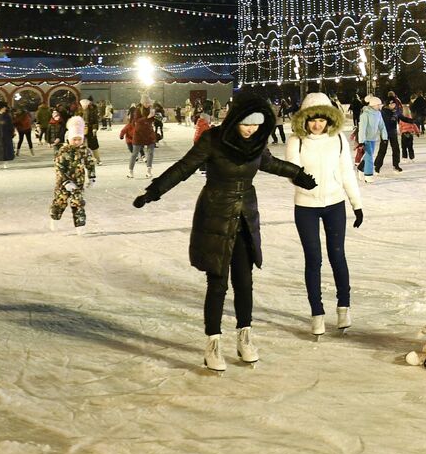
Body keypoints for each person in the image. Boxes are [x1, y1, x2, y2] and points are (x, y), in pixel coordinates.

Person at [133, 94, 317, 371]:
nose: (250, 130)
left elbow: (270, 163)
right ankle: (213, 344)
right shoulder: (213, 139)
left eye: (256, 125)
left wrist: (297, 173)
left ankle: (245, 337)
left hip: (245, 217)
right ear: (235, 120)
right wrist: (154, 191)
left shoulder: (256, 143)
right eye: (246, 124)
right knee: (218, 282)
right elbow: (184, 167)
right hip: (216, 215)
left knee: (244, 282)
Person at [285, 93, 364, 336]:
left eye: (322, 119)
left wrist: (356, 204)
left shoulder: (338, 140)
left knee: (337, 255)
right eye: (312, 119)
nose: (317, 124)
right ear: (305, 120)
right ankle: (317, 312)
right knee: (314, 259)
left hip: (334, 204)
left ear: (329, 119)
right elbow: (293, 172)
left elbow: (347, 173)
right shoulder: (295, 141)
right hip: (306, 206)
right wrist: (305, 183)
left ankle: (343, 307)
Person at [50, 115, 97, 233]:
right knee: (60, 203)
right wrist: (65, 182)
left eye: (79, 139)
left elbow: (90, 164)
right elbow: (59, 168)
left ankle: (80, 226)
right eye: (74, 139)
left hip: (78, 183)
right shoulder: (63, 151)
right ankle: (54, 219)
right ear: (69, 138)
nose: (77, 142)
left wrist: (92, 177)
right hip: (63, 184)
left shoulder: (85, 151)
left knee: (78, 204)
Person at [120, 105, 159, 178]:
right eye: (146, 102)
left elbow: (154, 120)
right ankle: (130, 171)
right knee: (134, 153)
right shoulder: (137, 111)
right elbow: (137, 121)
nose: (147, 104)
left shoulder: (151, 109)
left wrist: (157, 117)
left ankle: (149, 170)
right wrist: (147, 117)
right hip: (138, 136)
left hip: (149, 135)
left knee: (150, 153)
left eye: (148, 102)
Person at [357, 95, 388, 183]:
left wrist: (384, 137)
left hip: (373, 138)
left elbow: (382, 126)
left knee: (368, 156)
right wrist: (361, 141)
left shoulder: (378, 113)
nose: (380, 106)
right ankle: (368, 175)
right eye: (378, 105)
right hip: (366, 138)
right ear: (373, 105)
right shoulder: (365, 114)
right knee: (370, 156)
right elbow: (362, 129)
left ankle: (360, 167)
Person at [376, 94, 403, 172]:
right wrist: (394, 116)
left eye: (394, 104)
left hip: (393, 133)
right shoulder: (384, 112)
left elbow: (401, 117)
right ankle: (377, 166)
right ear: (388, 104)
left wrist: (411, 121)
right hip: (385, 133)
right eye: (391, 104)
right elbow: (388, 121)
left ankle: (396, 165)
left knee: (396, 149)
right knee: (383, 150)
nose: (393, 105)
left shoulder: (395, 111)